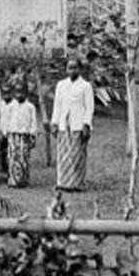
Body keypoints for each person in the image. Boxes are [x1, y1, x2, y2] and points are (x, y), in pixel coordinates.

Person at [51, 59, 94, 192]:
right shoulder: (61, 85)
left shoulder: (85, 86)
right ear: (66, 69)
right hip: (64, 125)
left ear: (79, 69)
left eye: (75, 68)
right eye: (69, 68)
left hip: (78, 125)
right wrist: (54, 122)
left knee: (77, 155)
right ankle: (63, 182)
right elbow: (57, 105)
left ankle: (76, 184)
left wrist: (86, 124)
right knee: (63, 155)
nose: (72, 71)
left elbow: (89, 107)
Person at [4, 83, 38, 188]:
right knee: (12, 157)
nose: (19, 94)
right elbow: (6, 120)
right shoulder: (10, 107)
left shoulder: (30, 107)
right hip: (13, 136)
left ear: (26, 93)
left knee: (24, 158)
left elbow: (33, 122)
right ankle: (13, 180)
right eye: (17, 92)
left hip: (24, 136)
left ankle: (23, 180)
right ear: (14, 93)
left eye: (22, 92)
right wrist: (6, 132)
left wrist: (32, 134)